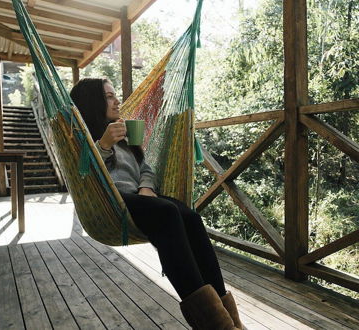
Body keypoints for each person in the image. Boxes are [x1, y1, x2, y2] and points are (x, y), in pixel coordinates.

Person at [70, 78, 244, 330]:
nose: (117, 100)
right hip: (111, 202)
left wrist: (146, 187)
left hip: (140, 198)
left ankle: (232, 320)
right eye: (109, 96)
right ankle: (218, 327)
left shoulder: (123, 132)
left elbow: (145, 167)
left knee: (190, 217)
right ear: (92, 102)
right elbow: (85, 177)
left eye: (114, 94)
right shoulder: (83, 140)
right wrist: (104, 145)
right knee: (166, 212)